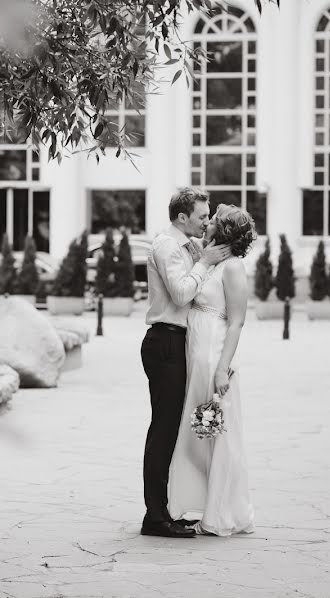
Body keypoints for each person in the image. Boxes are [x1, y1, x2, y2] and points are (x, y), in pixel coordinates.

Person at [139, 188, 231, 538]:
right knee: (163, 430)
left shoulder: (188, 246)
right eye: (201, 216)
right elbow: (180, 294)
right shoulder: (166, 246)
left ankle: (167, 509)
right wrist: (204, 262)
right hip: (164, 341)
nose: (206, 221)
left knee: (173, 430)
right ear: (181, 217)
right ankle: (155, 517)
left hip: (180, 342)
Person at [167, 204, 256, 536]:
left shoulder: (233, 267)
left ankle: (219, 513)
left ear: (226, 231)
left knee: (213, 433)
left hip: (211, 355)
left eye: (214, 220)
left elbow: (237, 323)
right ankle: (201, 501)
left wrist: (223, 369)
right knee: (195, 435)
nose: (207, 223)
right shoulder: (211, 260)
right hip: (196, 352)